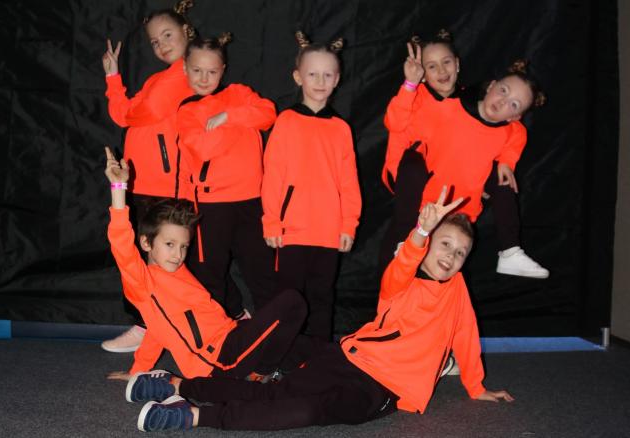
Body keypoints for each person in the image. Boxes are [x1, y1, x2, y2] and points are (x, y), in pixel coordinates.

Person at [124, 187, 514, 432]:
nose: (451, 256)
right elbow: (398, 272)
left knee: (306, 409)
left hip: (384, 389)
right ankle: (186, 398)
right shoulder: (404, 278)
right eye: (445, 244)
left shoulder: (457, 291)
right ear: (428, 245)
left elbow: (466, 335)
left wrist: (476, 387)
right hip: (352, 358)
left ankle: (182, 397)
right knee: (276, 393)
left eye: (461, 252)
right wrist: (421, 233)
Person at [103, 147, 306, 384]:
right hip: (220, 359)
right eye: (169, 244)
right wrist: (118, 188)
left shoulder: (176, 275)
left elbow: (157, 331)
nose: (178, 254)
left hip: (233, 337)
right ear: (146, 243)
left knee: (311, 347)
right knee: (291, 302)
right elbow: (121, 243)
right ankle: (263, 372)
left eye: (183, 246)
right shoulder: (143, 282)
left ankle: (279, 374)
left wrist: (138, 370)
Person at [379, 37, 549, 279]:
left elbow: (516, 134)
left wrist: (506, 162)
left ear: (457, 64)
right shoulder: (430, 103)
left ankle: (510, 250)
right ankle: (401, 243)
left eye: (446, 62)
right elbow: (395, 124)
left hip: (458, 193)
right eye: (432, 66)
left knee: (502, 180)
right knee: (413, 165)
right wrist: (410, 84)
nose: (441, 71)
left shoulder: (467, 101)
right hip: (415, 183)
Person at [100, 0, 195, 353]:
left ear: (186, 31)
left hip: (167, 185)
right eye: (155, 41)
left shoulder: (186, 72)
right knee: (144, 259)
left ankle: (149, 326)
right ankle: (148, 324)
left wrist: (130, 108)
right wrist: (113, 77)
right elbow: (122, 113)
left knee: (164, 261)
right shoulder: (158, 79)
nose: (161, 45)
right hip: (143, 183)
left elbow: (139, 111)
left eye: (167, 35)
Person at [261, 31, 362, 341]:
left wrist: (348, 224)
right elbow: (272, 175)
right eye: (313, 74)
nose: (320, 81)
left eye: (327, 75)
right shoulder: (286, 122)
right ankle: (282, 353)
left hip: (328, 232)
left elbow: (349, 181)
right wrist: (272, 221)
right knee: (288, 298)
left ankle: (319, 355)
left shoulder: (340, 128)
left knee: (322, 298)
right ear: (298, 77)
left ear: (337, 80)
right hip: (292, 230)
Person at [176, 34, 278, 321]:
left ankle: (275, 334)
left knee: (263, 273)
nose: (204, 78)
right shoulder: (187, 110)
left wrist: (228, 117)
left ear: (223, 70)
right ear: (185, 68)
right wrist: (243, 123)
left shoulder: (239, 93)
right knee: (209, 275)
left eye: (212, 71)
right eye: (197, 70)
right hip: (211, 206)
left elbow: (268, 114)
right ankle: (224, 332)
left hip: (252, 201)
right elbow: (204, 148)